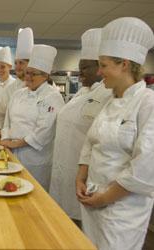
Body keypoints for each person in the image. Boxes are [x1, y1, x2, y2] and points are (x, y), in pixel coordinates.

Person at [76, 17, 154, 250]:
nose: (99, 72)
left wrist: (105, 198)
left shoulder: (147, 103)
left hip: (122, 210)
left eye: (104, 65)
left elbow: (145, 166)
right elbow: (91, 143)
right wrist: (81, 177)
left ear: (125, 65)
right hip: (92, 199)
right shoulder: (110, 101)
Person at [49, 28, 112, 224]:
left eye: (85, 67)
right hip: (64, 168)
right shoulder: (81, 93)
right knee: (62, 218)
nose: (80, 72)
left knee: (79, 225)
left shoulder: (107, 95)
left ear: (99, 68)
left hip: (83, 175)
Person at [1, 44, 64, 191]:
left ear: (45, 75)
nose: (27, 77)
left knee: (33, 196)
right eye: (27, 72)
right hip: (10, 154)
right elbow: (7, 122)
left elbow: (44, 131)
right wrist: (5, 141)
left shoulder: (52, 97)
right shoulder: (18, 94)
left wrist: (16, 144)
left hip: (35, 159)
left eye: (33, 74)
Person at [0, 28, 34, 139]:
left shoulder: (42, 87)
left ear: (31, 64)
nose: (18, 67)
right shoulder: (10, 89)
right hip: (11, 142)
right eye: (16, 63)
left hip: (36, 150)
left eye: (21, 63)